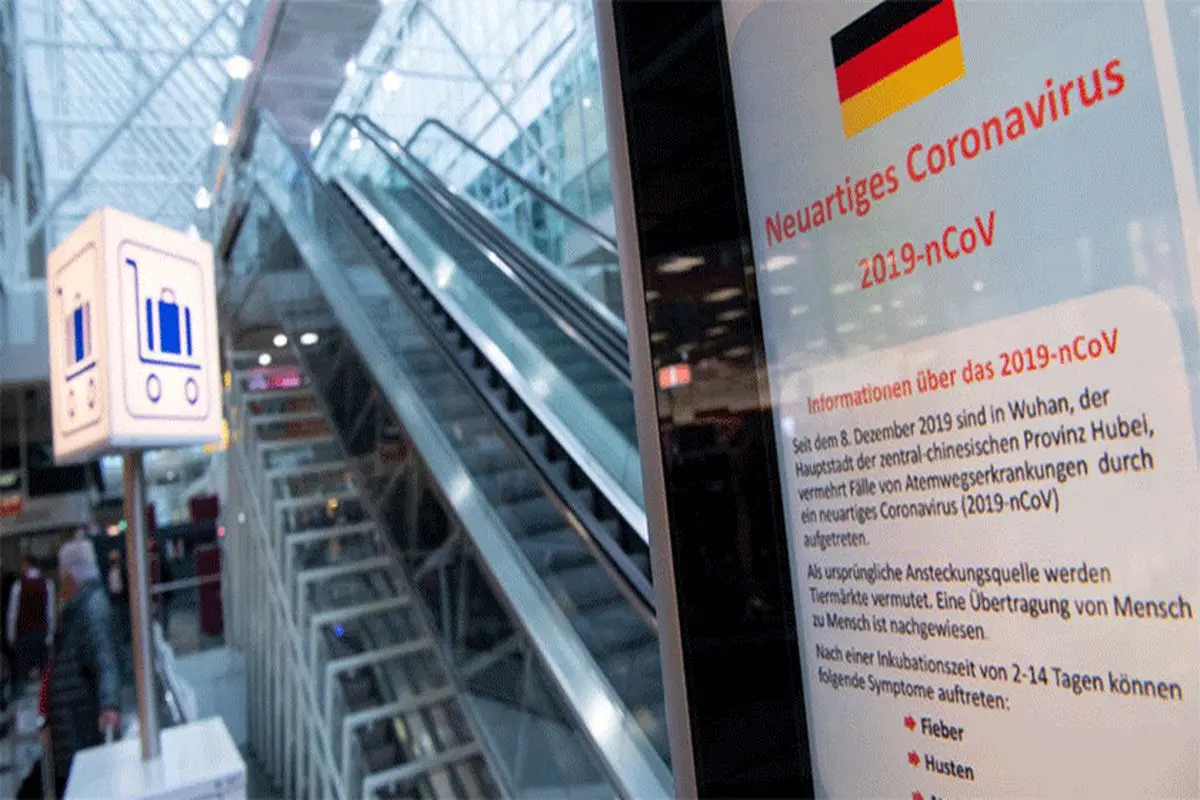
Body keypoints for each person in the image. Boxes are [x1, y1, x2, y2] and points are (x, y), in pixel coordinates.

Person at [43, 540, 121, 797]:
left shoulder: (90, 609)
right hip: (76, 726)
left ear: (70, 574)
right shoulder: (80, 609)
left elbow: (105, 659)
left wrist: (109, 705)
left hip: (82, 728)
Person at [6, 558, 55, 699]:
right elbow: (50, 612)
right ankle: (44, 704)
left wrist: (11, 636)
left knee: (22, 676)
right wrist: (50, 636)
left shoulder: (18, 586)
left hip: (23, 635)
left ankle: (21, 703)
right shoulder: (47, 584)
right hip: (41, 634)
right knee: (44, 677)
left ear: (27, 565)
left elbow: (13, 614)